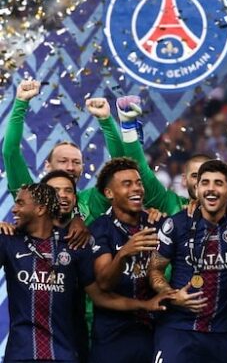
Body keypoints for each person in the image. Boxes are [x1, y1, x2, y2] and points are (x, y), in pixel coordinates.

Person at [1, 183, 166, 362]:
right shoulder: (8, 241)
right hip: (20, 355)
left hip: (63, 355)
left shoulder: (74, 245)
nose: (14, 209)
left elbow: (100, 297)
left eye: (20, 203)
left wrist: (145, 305)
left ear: (40, 209)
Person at [148, 159, 227, 362]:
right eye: (205, 183)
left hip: (220, 334)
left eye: (218, 183)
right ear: (197, 189)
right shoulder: (176, 224)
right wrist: (172, 295)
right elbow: (155, 269)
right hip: (177, 329)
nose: (211, 189)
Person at [112, 95, 227, 220]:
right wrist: (128, 126)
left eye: (207, 178)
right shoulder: (170, 204)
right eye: (196, 176)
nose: (201, 183)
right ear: (184, 180)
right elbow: (139, 170)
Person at [2, 79, 125, 238]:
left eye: (76, 162)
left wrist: (106, 120)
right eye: (63, 161)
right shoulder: (30, 196)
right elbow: (10, 153)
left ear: (82, 168)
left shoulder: (92, 201)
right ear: (47, 166)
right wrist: (21, 102)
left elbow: (121, 169)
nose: (70, 167)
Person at [89, 158, 161, 362]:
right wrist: (123, 253)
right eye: (127, 184)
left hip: (152, 332)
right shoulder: (100, 229)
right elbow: (105, 283)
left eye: (138, 183)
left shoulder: (156, 222)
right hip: (112, 335)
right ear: (109, 193)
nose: (136, 188)